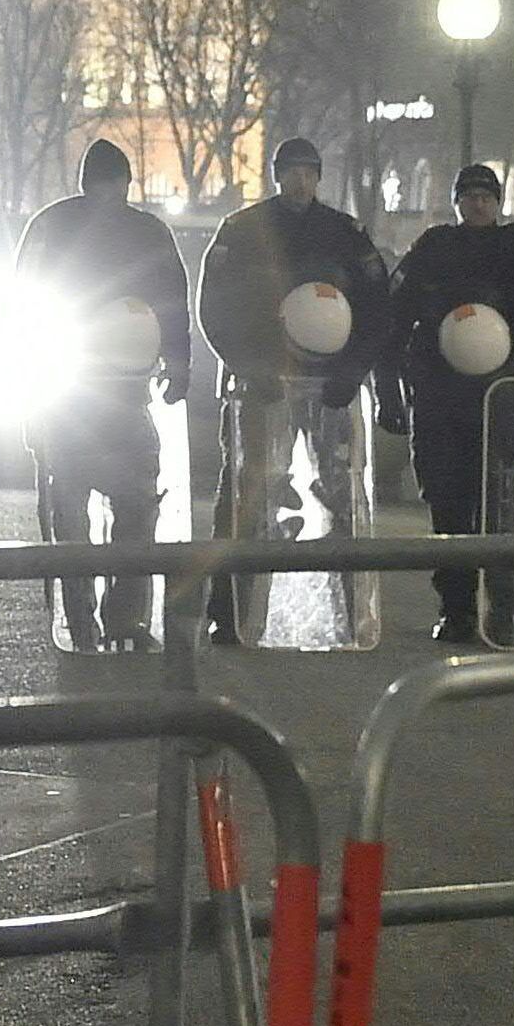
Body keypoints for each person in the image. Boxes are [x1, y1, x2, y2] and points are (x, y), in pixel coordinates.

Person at [382, 162, 514, 645]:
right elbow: (395, 319)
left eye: (486, 196)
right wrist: (386, 386)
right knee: (448, 505)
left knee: (504, 504)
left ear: (498, 203)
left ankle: (504, 609)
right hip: (441, 394)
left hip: (502, 395)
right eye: (470, 195)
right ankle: (456, 609)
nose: (478, 203)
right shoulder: (434, 249)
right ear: (457, 202)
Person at [195, 135, 393, 645]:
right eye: (291, 170)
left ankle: (352, 619)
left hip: (331, 388)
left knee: (343, 496)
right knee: (245, 497)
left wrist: (354, 370)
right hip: (261, 385)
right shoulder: (242, 230)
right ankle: (231, 613)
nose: (300, 180)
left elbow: (375, 306)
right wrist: (245, 366)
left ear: (319, 176)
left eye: (309, 170)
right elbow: (214, 307)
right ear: (276, 174)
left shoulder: (344, 233)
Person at [13, 138, 191, 649]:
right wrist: (178, 363)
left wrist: (179, 362)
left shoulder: (58, 226)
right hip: (74, 394)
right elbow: (26, 305)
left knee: (116, 505)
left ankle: (107, 619)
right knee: (83, 510)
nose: (108, 198)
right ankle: (93, 620)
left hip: (101, 393)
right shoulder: (123, 229)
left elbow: (171, 301)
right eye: (104, 187)